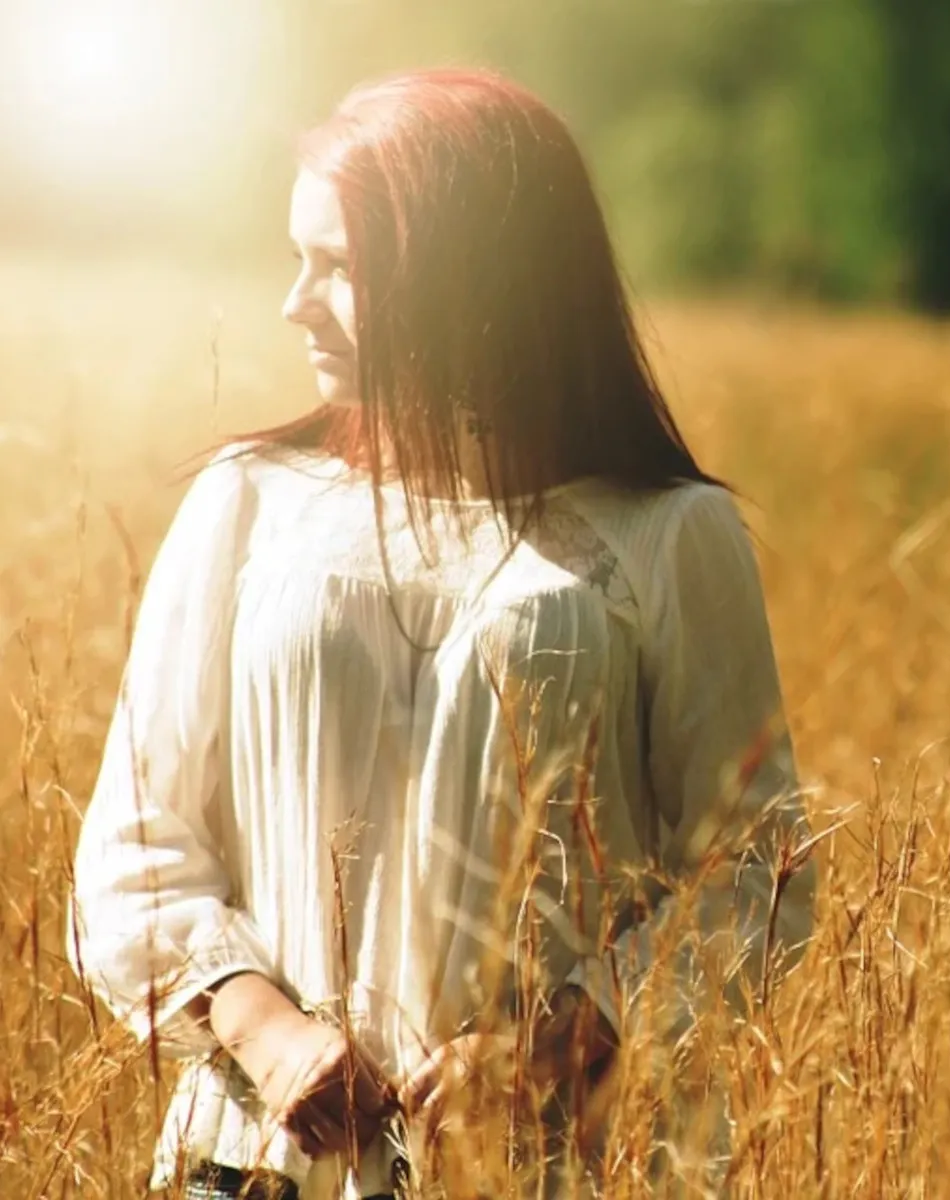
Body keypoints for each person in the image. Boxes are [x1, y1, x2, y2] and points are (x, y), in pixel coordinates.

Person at [69, 69, 816, 1199]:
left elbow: (758, 870)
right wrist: (267, 1032)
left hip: (549, 1171)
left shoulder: (669, 534)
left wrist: (558, 1046)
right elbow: (135, 833)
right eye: (295, 257)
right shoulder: (248, 502)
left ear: (469, 279)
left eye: (339, 268)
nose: (295, 302)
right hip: (257, 1166)